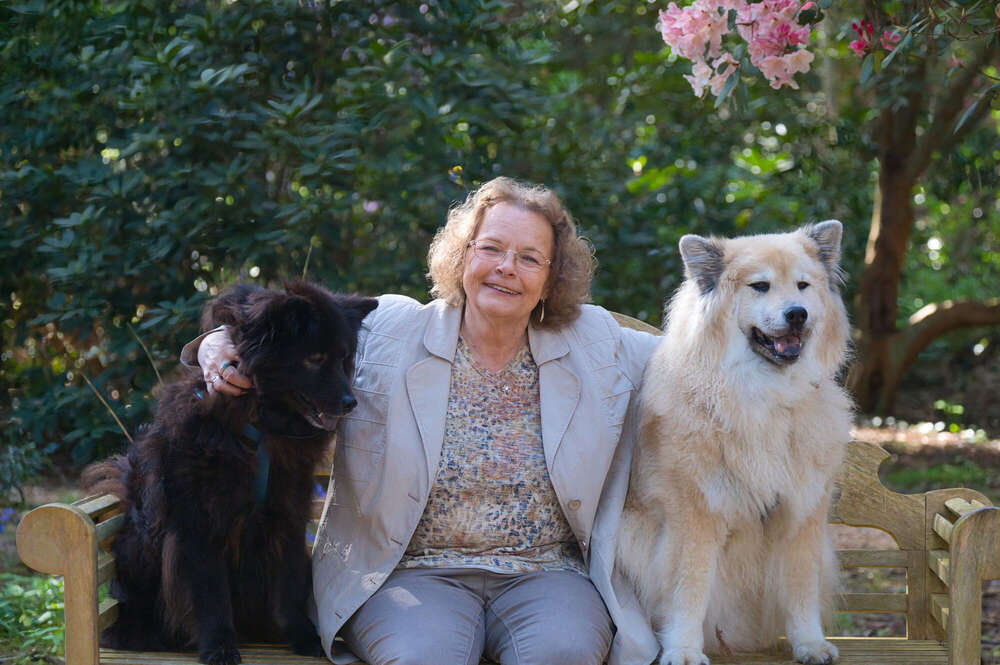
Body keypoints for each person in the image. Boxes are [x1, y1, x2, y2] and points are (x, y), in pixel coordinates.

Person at [186, 177, 661, 665]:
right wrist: (215, 342)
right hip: (407, 574)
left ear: (551, 279)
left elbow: (694, 358)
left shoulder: (595, 340)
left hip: (547, 575)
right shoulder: (391, 329)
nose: (506, 268)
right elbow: (287, 326)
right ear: (462, 257)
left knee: (562, 655)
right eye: (491, 248)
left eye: (529, 258)